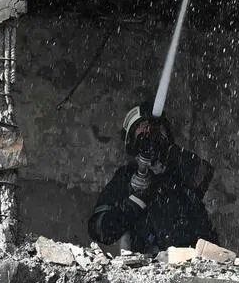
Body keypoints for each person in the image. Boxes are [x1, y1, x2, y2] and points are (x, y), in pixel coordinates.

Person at [89, 104, 217, 256]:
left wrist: (167, 156)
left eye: (155, 129)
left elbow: (202, 174)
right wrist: (134, 202)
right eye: (142, 128)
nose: (149, 132)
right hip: (149, 265)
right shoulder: (125, 177)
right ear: (132, 140)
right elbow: (100, 230)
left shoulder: (179, 170)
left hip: (193, 262)